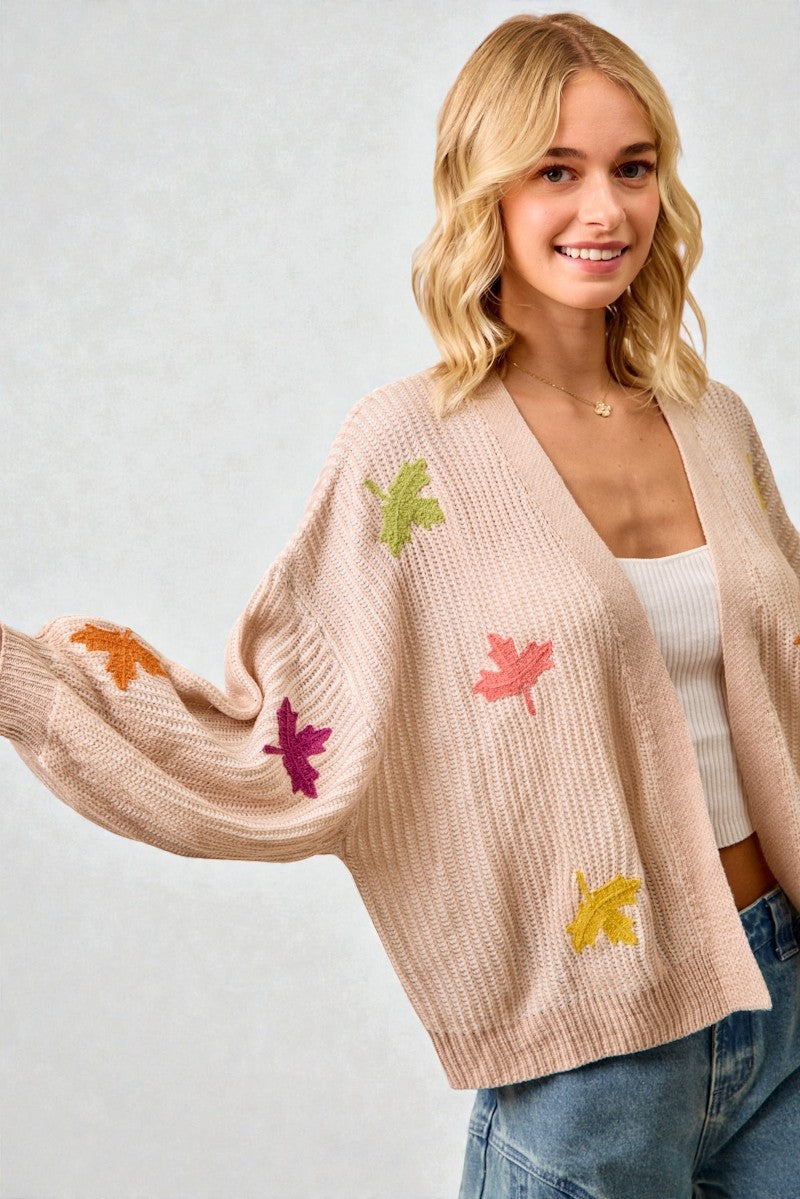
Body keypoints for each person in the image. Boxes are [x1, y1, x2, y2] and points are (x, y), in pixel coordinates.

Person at [2, 10, 798, 1197]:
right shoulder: (409, 452)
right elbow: (288, 731)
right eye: (555, 172)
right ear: (484, 193)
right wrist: (37, 682)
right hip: (597, 1035)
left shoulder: (712, 418)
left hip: (783, 987)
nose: (606, 211)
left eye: (632, 169)